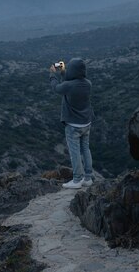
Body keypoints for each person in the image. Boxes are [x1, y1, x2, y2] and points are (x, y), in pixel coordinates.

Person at [49, 58, 94, 189]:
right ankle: (88, 178)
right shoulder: (87, 83)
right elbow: (70, 80)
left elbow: (56, 88)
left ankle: (77, 180)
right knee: (86, 149)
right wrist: (63, 72)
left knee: (75, 152)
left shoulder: (69, 86)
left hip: (73, 125)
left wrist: (53, 74)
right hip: (86, 123)